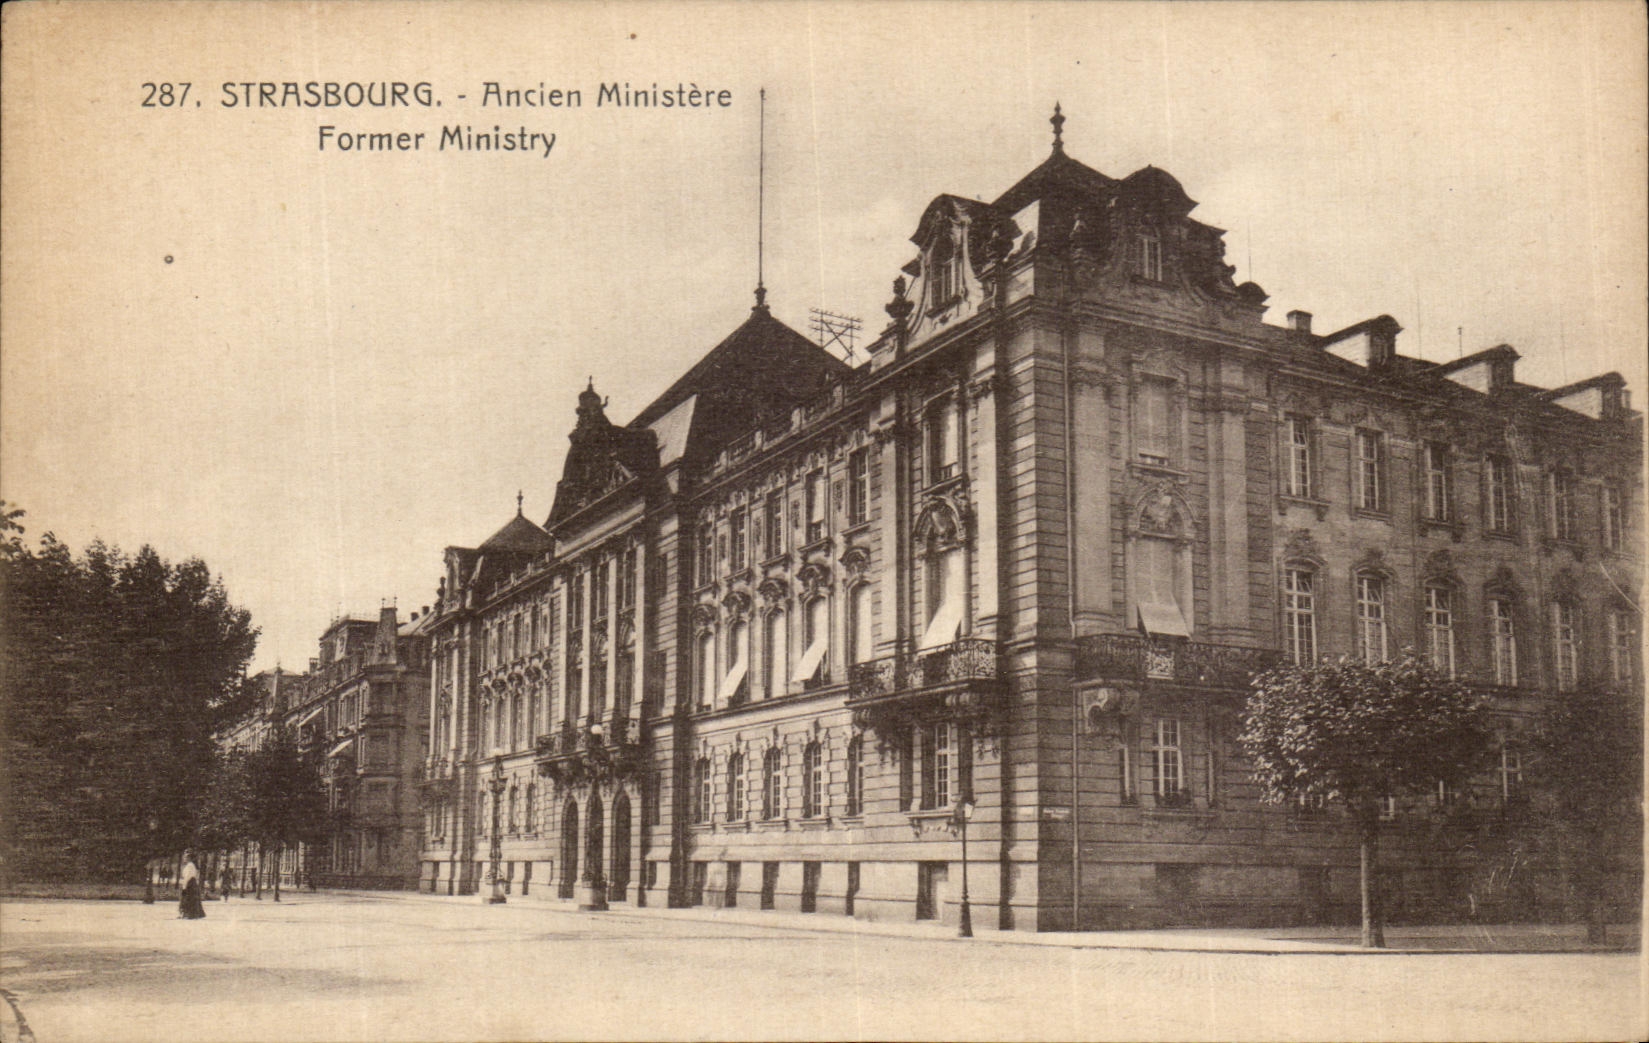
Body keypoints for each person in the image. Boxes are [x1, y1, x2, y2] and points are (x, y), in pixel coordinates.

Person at [177, 850, 206, 919]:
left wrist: (184, 886)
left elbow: (187, 877)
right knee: (190, 898)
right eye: (184, 857)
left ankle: (189, 914)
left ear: (189, 858)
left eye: (185, 857)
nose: (184, 859)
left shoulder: (190, 866)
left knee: (187, 898)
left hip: (189, 883)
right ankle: (188, 914)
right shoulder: (191, 865)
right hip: (192, 883)